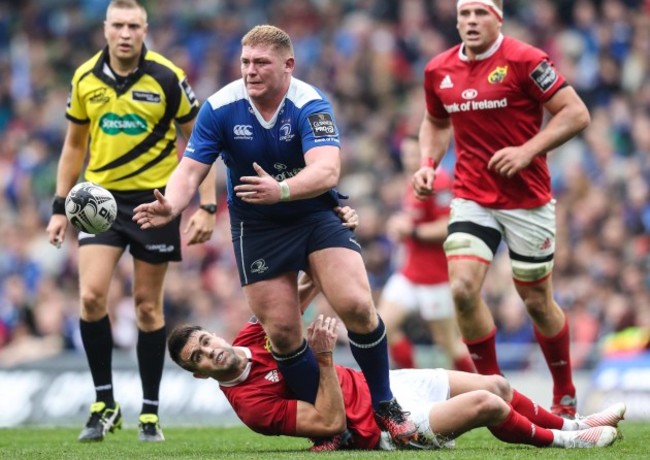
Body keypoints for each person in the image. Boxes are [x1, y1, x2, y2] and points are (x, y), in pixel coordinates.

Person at [132, 24, 416, 444]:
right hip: (258, 227)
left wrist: (281, 189)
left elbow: (327, 169)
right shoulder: (220, 106)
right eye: (245, 61)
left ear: (288, 66)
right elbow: (191, 168)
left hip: (313, 216)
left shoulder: (310, 103)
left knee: (357, 304)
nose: (250, 70)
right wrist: (172, 205)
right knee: (282, 332)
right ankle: (330, 427)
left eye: (261, 62)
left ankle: (385, 404)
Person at [45, 0, 217, 443]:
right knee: (90, 297)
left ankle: (150, 411)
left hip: (154, 200)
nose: (125, 33)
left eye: (133, 26)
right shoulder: (85, 77)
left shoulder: (167, 76)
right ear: (105, 29)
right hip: (98, 199)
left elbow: (202, 140)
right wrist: (59, 207)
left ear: (145, 29)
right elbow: (72, 146)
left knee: (146, 306)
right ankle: (104, 402)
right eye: (118, 25)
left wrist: (206, 204)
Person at [412, 0, 591, 418]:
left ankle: (564, 391)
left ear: (499, 18)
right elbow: (435, 122)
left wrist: (528, 150)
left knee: (536, 302)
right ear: (456, 21)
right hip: (472, 196)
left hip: (527, 200)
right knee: (461, 289)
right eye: (465, 14)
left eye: (481, 13)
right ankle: (494, 393)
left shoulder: (526, 59)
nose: (471, 22)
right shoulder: (438, 69)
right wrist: (427, 164)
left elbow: (576, 113)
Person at [167, 314, 625, 451]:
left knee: (497, 384)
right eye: (199, 357)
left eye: (205, 340)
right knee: (487, 403)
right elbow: (328, 422)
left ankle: (573, 422)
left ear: (213, 332)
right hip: (380, 427)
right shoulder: (250, 405)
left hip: (384, 387)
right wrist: (324, 357)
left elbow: (294, 288)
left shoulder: (253, 335)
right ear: (197, 372)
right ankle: (571, 443)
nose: (211, 351)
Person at [378, 135, 475, 372]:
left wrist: (411, 230)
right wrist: (400, 227)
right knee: (380, 328)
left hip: (435, 278)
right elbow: (414, 223)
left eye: (414, 155)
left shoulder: (439, 181)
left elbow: (447, 225)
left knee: (448, 344)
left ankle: (486, 389)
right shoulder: (412, 182)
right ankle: (412, 379)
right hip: (410, 274)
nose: (410, 160)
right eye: (406, 156)